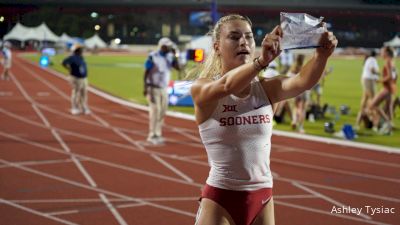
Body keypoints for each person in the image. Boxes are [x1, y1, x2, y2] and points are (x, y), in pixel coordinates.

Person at [190, 14, 337, 225]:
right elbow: (226, 86)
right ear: (217, 47)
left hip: (263, 197)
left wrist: (322, 55)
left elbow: (303, 82)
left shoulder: (267, 89)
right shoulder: (202, 88)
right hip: (221, 198)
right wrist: (261, 62)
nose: (243, 42)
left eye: (249, 37)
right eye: (234, 37)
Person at [143, 37, 180, 144]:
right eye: (167, 46)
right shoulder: (153, 56)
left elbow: (178, 68)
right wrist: (145, 87)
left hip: (164, 88)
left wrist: (175, 55)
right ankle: (152, 134)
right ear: (162, 46)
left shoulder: (170, 56)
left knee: (163, 111)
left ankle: (157, 133)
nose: (169, 47)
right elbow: (146, 72)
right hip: (152, 87)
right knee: (156, 110)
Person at [368, 46, 396, 134]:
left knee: (372, 105)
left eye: (382, 52)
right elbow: (395, 76)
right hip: (391, 87)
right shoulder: (392, 62)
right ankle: (390, 125)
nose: (381, 53)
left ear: (387, 53)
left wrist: (379, 80)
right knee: (389, 108)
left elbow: (390, 76)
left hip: (387, 88)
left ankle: (388, 123)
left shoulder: (388, 62)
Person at [62, 44, 90, 115]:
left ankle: (83, 107)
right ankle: (74, 108)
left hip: (83, 78)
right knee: (76, 92)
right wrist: (69, 69)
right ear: (77, 51)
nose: (82, 51)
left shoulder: (81, 57)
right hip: (75, 77)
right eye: (80, 50)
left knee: (84, 93)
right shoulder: (72, 57)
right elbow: (63, 62)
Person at [355, 50, 379, 129]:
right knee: (373, 101)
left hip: (366, 80)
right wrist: (379, 73)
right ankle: (375, 124)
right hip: (369, 81)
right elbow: (372, 70)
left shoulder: (368, 59)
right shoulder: (372, 60)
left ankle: (358, 122)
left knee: (365, 101)